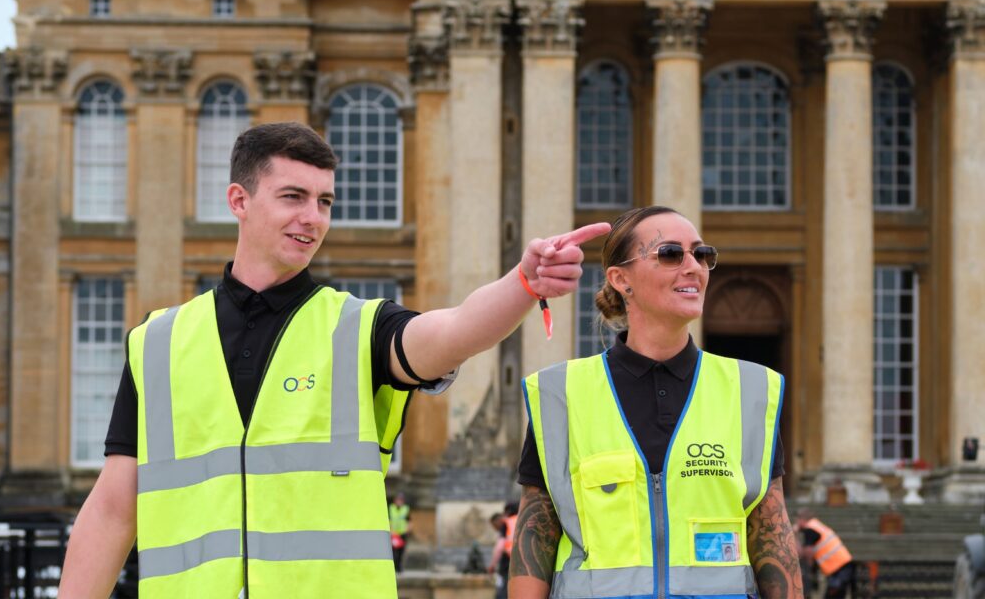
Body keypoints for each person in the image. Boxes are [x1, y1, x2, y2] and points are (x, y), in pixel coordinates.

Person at [57, 122, 609, 599]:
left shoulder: (358, 327)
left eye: (324, 202)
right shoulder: (157, 341)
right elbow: (112, 509)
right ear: (239, 201)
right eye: (293, 196)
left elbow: (452, 331)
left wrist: (522, 284)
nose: (313, 218)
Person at [510, 206, 804, 599]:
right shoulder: (562, 392)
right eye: (670, 254)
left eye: (702, 255)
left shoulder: (751, 388)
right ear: (621, 279)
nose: (694, 267)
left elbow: (771, 533)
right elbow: (536, 536)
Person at [794, 509, 855, 598]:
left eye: (797, 520)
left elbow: (807, 553)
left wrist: (794, 534)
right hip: (842, 565)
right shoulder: (816, 525)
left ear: (802, 519)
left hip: (839, 568)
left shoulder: (809, 529)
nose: (796, 522)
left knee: (833, 595)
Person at [389, 492, 411, 572]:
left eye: (401, 500)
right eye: (398, 500)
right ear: (395, 500)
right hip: (393, 534)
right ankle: (394, 567)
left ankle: (399, 567)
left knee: (401, 552)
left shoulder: (406, 509)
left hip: (402, 534)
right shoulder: (391, 508)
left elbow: (409, 521)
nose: (399, 502)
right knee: (394, 552)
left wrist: (408, 530)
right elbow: (389, 520)